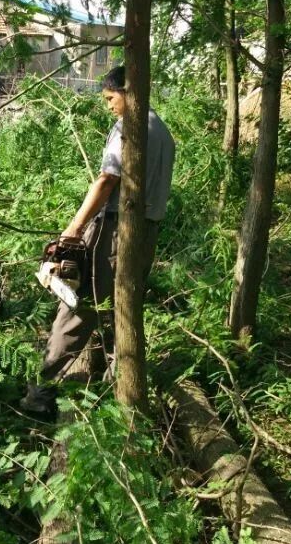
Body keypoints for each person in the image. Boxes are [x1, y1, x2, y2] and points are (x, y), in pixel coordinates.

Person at [21, 65, 175, 415]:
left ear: (127, 92)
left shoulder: (130, 128)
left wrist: (74, 228)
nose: (108, 106)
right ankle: (116, 382)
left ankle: (40, 392)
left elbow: (107, 180)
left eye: (110, 98)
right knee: (122, 307)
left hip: (118, 229)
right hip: (147, 230)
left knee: (79, 306)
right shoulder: (163, 130)